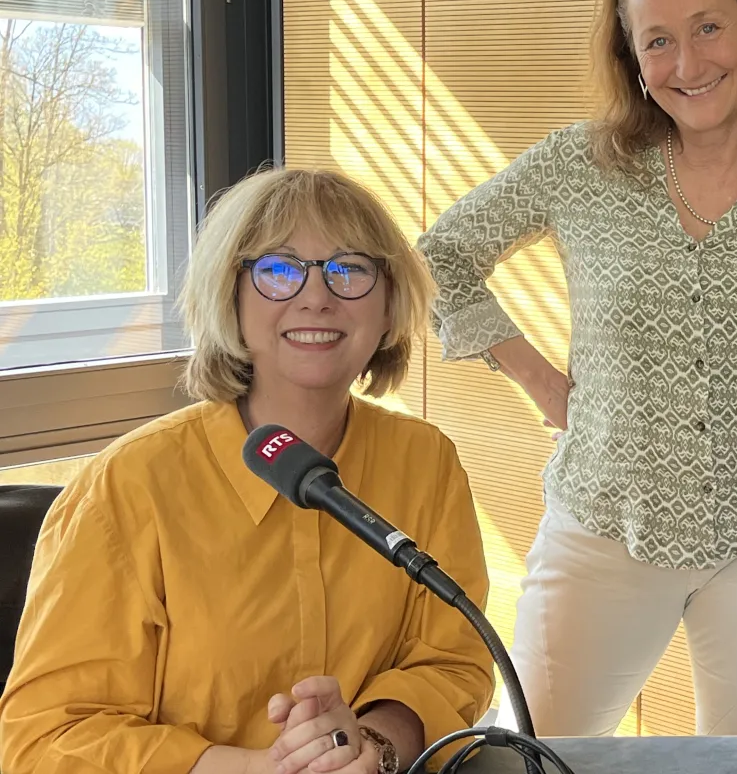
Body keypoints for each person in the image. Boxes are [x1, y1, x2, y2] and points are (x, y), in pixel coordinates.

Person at [416, 0, 737, 737]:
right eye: (658, 41)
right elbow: (439, 256)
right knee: (533, 750)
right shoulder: (579, 166)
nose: (688, 63)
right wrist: (543, 383)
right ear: (632, 57)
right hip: (604, 520)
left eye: (708, 27)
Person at [0, 168, 495, 774]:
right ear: (229, 299)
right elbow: (45, 740)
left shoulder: (426, 462)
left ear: (390, 306)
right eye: (279, 270)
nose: (317, 297)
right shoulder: (126, 487)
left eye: (350, 269)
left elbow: (454, 659)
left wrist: (372, 745)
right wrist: (259, 767)